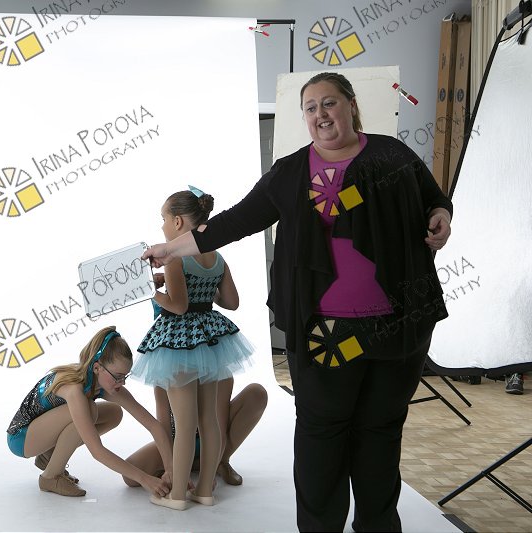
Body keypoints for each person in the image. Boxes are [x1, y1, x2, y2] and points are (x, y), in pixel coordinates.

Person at [142, 72, 453, 531]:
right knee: (322, 436)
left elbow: (433, 199)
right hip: (326, 333)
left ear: (350, 105)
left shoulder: (391, 154)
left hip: (395, 328)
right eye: (310, 107)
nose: (320, 114)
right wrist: (169, 250)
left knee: (381, 432)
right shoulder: (291, 172)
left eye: (329, 102)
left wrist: (441, 216)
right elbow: (233, 222)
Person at [130, 188, 255, 510]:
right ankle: (205, 491)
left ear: (177, 222)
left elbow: (178, 306)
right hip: (210, 340)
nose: (161, 226)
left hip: (179, 342)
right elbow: (231, 302)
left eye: (163, 219)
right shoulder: (217, 257)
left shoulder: (175, 257)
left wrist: (149, 291)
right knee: (208, 420)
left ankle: (176, 497)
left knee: (184, 425)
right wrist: (204, 288)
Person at [6, 326, 173, 498]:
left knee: (114, 413)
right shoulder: (74, 390)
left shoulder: (104, 384)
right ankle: (50, 477)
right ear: (97, 368)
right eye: (118, 376)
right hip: (21, 438)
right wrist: (145, 479)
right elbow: (97, 451)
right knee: (90, 410)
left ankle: (48, 456)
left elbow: (153, 426)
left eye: (125, 376)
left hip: (41, 431)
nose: (122, 382)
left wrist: (171, 469)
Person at [123, 377, 267, 487]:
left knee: (256, 393)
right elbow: (163, 430)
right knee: (130, 476)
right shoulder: (164, 377)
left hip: (212, 442)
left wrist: (208, 476)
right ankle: (190, 465)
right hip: (177, 444)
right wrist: (171, 468)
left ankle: (219, 462)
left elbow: (220, 431)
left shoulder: (220, 374)